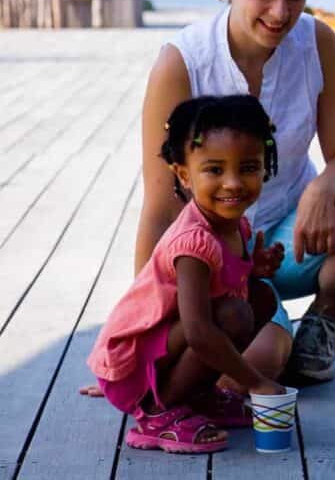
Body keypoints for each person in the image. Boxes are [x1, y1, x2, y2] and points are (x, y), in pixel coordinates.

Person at [81, 0, 335, 398]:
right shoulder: (182, 62)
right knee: (247, 374)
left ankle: (322, 320)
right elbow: (162, 203)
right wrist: (134, 344)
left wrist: (322, 188)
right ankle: (270, 329)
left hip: (293, 237)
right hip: (216, 259)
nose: (281, 13)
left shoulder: (317, 42)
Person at [88, 95, 286, 453]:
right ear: (184, 174)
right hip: (134, 367)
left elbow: (221, 287)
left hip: (164, 349)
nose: (233, 183)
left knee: (261, 297)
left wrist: (253, 268)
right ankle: (155, 414)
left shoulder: (233, 224)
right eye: (214, 170)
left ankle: (196, 397)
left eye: (248, 168)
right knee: (233, 314)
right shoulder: (192, 242)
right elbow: (198, 332)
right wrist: (255, 382)